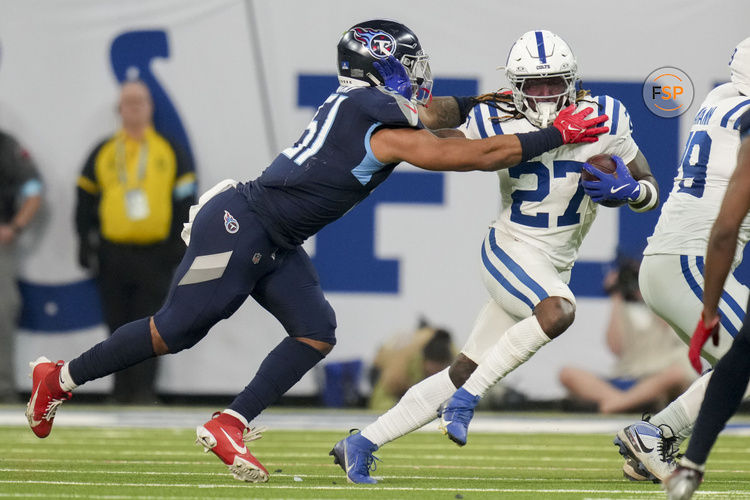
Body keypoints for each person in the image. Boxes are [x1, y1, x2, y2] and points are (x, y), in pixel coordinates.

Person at [24, 20, 608, 483]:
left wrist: (487, 99)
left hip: (275, 236)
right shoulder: (374, 120)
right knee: (174, 331)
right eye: (406, 68)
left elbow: (435, 115)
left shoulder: (369, 106)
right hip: (241, 225)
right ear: (380, 69)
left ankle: (230, 421)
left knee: (315, 329)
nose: (418, 78)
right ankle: (61, 376)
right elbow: (463, 155)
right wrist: (558, 133)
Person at [330, 29, 658, 484]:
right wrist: (449, 103)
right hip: (511, 247)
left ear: (573, 78)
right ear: (514, 86)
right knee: (558, 311)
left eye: (554, 83)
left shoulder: (606, 114)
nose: (544, 94)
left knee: (463, 369)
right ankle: (467, 402)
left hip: (555, 260)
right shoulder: (494, 114)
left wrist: (633, 191)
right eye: (533, 85)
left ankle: (361, 443)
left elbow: (649, 183)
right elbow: (425, 127)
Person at [613, 37, 750, 484]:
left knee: (737, 364)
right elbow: (727, 224)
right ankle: (655, 433)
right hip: (689, 263)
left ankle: (655, 435)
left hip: (674, 261)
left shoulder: (720, 99)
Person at [75, 80, 197, 404]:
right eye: (128, 103)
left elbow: (186, 199)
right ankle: (119, 390)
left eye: (140, 102)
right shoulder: (104, 151)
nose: (134, 108)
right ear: (119, 109)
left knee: (152, 325)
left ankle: (145, 390)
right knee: (116, 324)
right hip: (113, 252)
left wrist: (180, 243)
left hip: (155, 253)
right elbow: (85, 198)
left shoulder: (168, 150)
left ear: (150, 107)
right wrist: (84, 242)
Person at [663, 80, 750, 500]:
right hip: (682, 253)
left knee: (742, 355)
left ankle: (689, 468)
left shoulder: (720, 105)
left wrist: (709, 310)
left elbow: (726, 229)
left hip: (680, 250)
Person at [559, 260, 695, 414]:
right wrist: (616, 295)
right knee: (567, 373)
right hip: (632, 377)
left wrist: (649, 293)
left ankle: (619, 403)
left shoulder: (666, 303)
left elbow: (672, 328)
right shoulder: (623, 309)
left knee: (676, 374)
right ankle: (628, 402)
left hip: (662, 375)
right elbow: (616, 347)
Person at [0, 131, 42, 403]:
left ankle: (2, 386)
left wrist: (15, 227)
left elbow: (33, 191)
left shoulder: (5, 146)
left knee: (2, 311)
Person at [369, 322, 455, 411]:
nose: (433, 376)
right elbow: (378, 406)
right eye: (430, 373)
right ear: (424, 363)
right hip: (381, 368)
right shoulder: (397, 372)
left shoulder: (458, 364)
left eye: (438, 373)